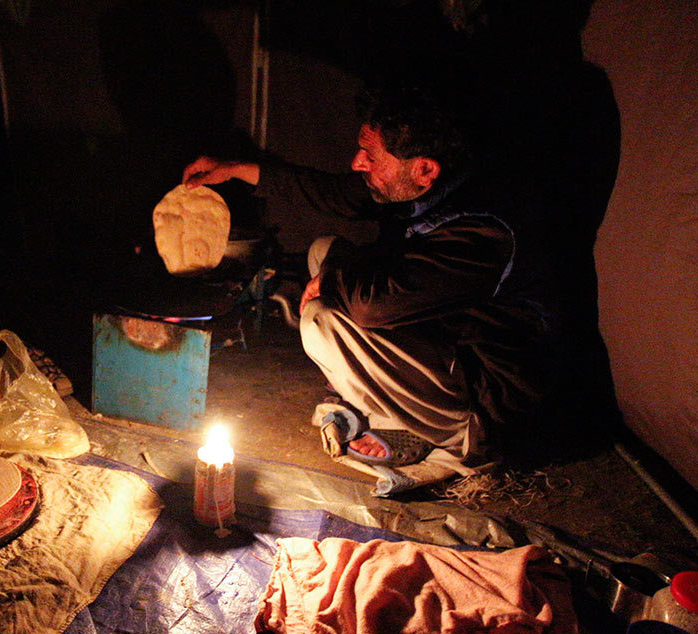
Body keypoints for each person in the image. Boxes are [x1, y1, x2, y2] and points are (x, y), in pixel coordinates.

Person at [183, 85, 557, 488]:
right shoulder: (429, 184)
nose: (357, 163)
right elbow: (333, 193)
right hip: (446, 331)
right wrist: (234, 168)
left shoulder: (482, 231)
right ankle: (393, 404)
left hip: (487, 393)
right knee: (324, 250)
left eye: (372, 156)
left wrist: (333, 276)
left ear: (425, 169)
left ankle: (434, 429)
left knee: (322, 321)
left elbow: (372, 307)